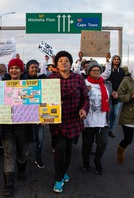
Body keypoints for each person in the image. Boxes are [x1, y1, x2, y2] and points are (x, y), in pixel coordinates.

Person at [0, 58, 31, 196]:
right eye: (11, 68)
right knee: (9, 154)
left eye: (17, 68)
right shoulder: (1, 85)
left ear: (21, 70)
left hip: (23, 126)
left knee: (22, 152)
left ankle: (22, 167)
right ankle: (8, 184)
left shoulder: (29, 85)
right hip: (6, 126)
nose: (14, 70)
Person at [48, 51, 90, 193]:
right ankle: (58, 179)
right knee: (60, 149)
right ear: (56, 64)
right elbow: (43, 100)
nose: (64, 63)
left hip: (73, 120)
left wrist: (84, 109)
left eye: (66, 60)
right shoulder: (51, 79)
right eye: (60, 61)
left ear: (71, 64)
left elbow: (85, 98)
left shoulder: (78, 79)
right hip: (57, 120)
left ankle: (64, 171)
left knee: (68, 149)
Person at [81, 61, 112, 175]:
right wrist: (85, 91)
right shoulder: (83, 83)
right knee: (87, 144)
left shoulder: (106, 84)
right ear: (89, 71)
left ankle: (97, 160)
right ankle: (85, 162)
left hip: (102, 119)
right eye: (94, 70)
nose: (96, 72)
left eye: (98, 70)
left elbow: (111, 100)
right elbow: (78, 98)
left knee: (102, 142)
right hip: (87, 120)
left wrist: (115, 96)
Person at [25, 59, 47, 168]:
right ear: (28, 68)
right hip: (26, 114)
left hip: (40, 114)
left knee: (40, 138)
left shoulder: (42, 79)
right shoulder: (22, 80)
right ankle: (24, 154)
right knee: (26, 137)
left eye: (36, 67)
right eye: (32, 67)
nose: (34, 69)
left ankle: (38, 158)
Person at [106, 54, 125, 138]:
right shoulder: (108, 70)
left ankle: (111, 128)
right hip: (109, 95)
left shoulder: (122, 71)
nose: (117, 60)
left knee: (115, 113)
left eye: (118, 59)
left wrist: (119, 92)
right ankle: (107, 128)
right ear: (112, 60)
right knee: (109, 112)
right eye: (115, 59)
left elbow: (123, 83)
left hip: (118, 95)